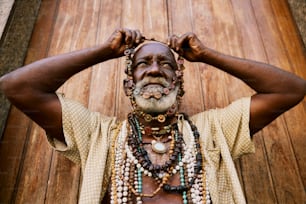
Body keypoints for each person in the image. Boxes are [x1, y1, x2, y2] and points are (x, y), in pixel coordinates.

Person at [0, 28, 305, 204]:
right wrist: (105, 50)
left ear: (178, 84)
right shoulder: (100, 136)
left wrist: (208, 55)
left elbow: (290, 90)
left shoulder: (214, 130)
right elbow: (17, 87)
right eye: (143, 64)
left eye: (166, 64)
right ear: (128, 84)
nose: (156, 70)